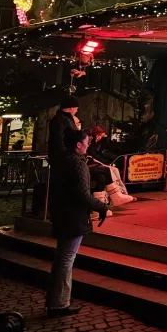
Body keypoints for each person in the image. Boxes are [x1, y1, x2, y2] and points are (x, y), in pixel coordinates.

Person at [46, 129, 108, 317]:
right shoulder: (77, 164)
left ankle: (56, 300)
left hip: (61, 214)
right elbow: (82, 194)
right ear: (78, 144)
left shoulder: (61, 161)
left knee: (61, 258)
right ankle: (59, 303)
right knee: (66, 259)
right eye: (86, 141)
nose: (88, 144)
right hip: (73, 217)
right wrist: (102, 207)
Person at [48, 95, 80, 166]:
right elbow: (60, 140)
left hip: (65, 158)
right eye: (76, 108)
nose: (76, 110)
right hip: (64, 160)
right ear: (71, 107)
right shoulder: (62, 120)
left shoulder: (62, 119)